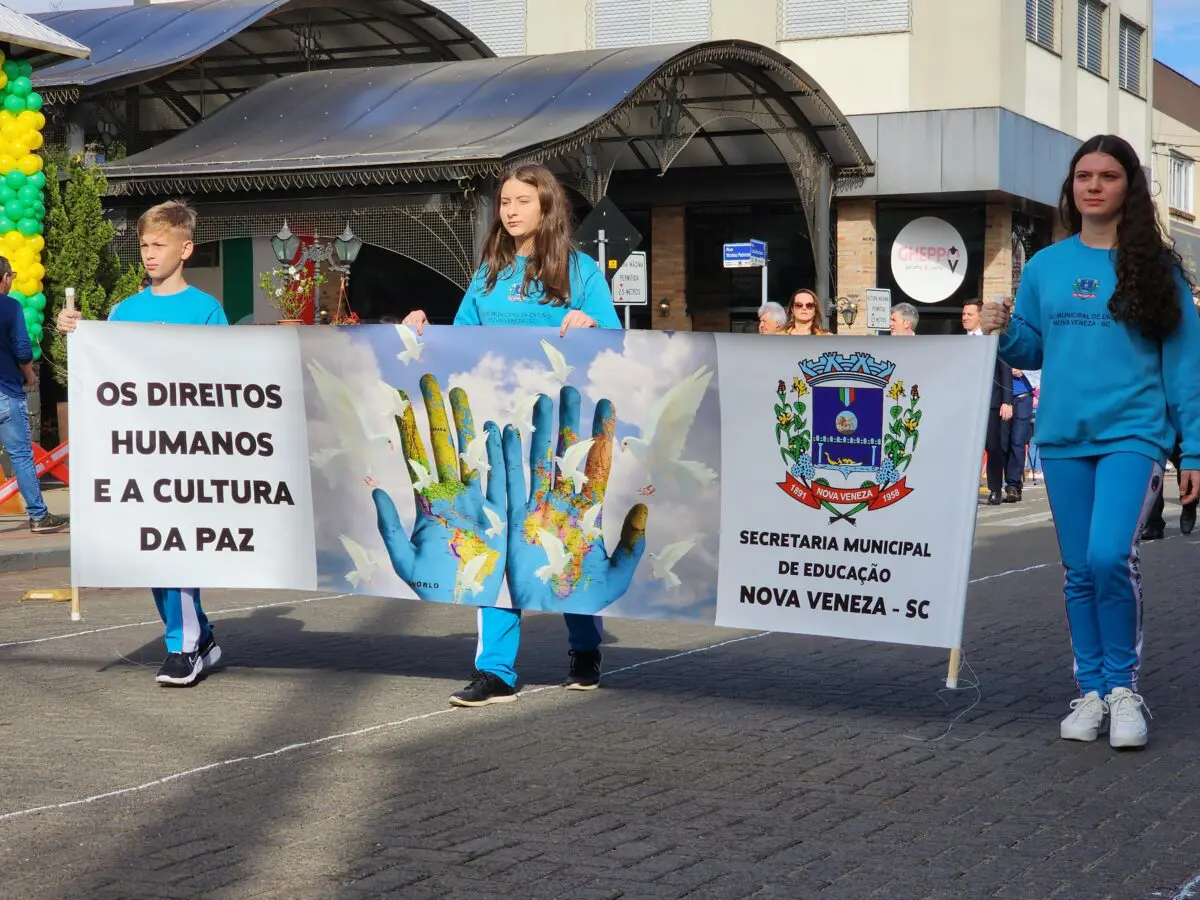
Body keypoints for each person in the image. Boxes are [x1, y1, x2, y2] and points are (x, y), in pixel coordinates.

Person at [980, 134, 1200, 750]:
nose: (1094, 185)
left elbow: (1185, 367)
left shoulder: (1157, 267)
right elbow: (1032, 349)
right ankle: (1093, 690)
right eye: (1084, 176)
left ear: (1128, 187)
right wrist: (1001, 331)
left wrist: (1196, 450)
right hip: (1063, 438)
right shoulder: (1047, 266)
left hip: (1134, 434)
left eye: (1107, 175)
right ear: (1071, 187)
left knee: (1110, 557)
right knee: (1079, 570)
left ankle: (1125, 689)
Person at [400, 163, 622, 708]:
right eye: (504, 202)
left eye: (522, 201)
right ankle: (496, 671)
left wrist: (592, 326)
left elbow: (617, 340)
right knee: (496, 539)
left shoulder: (582, 271)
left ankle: (584, 646)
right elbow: (460, 346)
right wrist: (423, 332)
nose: (511, 210)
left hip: (558, 440)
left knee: (562, 536)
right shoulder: (488, 272)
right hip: (497, 437)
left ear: (547, 207)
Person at [57, 200, 228, 688]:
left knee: (181, 546)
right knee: (154, 549)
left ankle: (184, 646)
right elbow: (102, 374)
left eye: (159, 245)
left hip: (191, 450)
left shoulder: (206, 309)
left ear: (186, 248)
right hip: (140, 451)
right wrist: (78, 334)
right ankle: (200, 636)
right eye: (144, 246)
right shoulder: (124, 311)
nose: (149, 255)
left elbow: (226, 380)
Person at [0, 257, 68, 534]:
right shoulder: (10, 306)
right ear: (5, 278)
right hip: (6, 392)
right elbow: (22, 349)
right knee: (21, 455)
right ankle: (38, 516)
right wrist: (29, 376)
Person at [966, 299, 1014, 505]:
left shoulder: (992, 338)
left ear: (980, 316)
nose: (964, 318)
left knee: (993, 448)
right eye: (963, 314)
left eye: (969, 314)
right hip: (967, 404)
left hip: (992, 403)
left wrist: (1007, 401)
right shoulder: (960, 342)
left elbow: (1004, 370)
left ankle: (995, 489)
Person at [1003, 367, 1035, 502]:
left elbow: (1039, 366)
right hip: (1003, 399)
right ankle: (1010, 483)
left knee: (1018, 441)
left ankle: (1013, 485)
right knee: (1003, 443)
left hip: (1023, 397)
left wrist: (1023, 371)